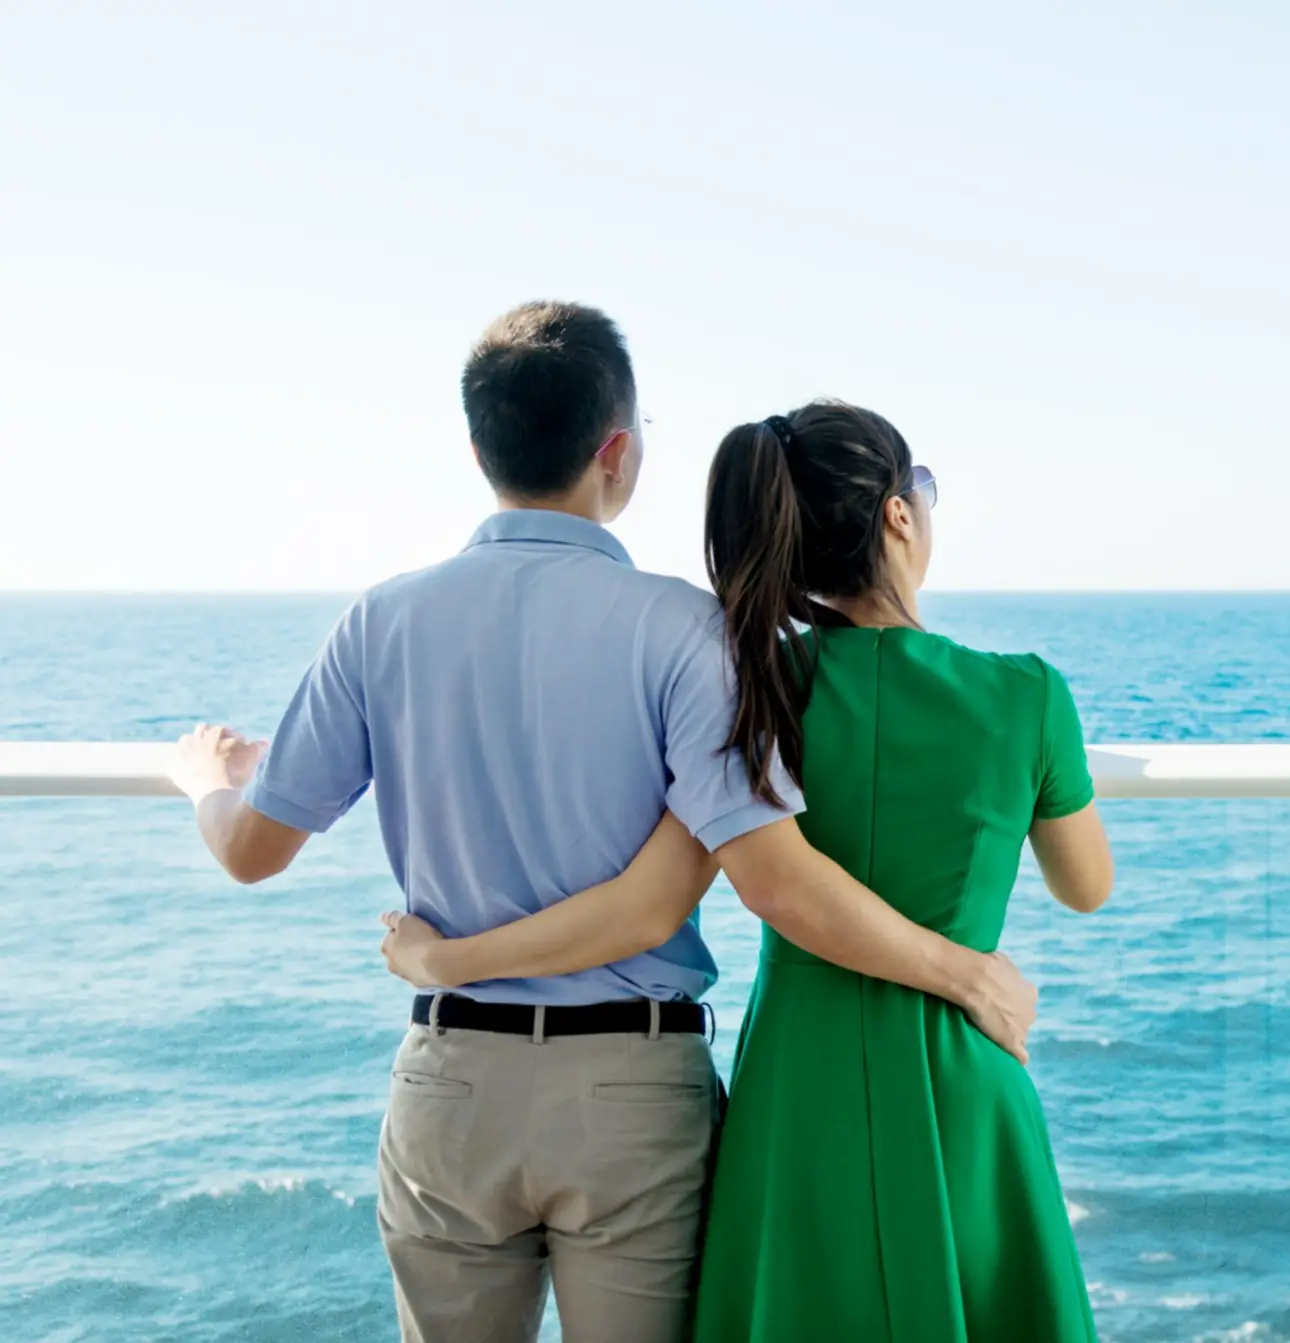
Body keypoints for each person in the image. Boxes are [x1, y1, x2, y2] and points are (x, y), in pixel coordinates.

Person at [165, 307, 1038, 1343]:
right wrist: (963, 968)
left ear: (479, 443)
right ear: (615, 452)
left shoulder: (381, 620)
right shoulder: (686, 631)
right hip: (632, 1088)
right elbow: (692, 891)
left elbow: (253, 849)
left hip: (454, 1081)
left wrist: (201, 782)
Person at [380, 400, 1115, 1342]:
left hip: (796, 1081)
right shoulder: (1027, 694)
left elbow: (655, 892)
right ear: (898, 516)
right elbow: (1085, 885)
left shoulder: (754, 688)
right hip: (960, 1059)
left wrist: (450, 960)